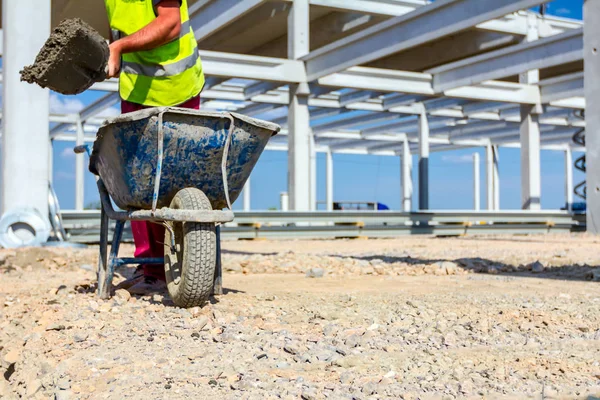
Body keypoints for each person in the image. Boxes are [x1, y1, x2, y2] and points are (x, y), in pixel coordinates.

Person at [104, 0, 205, 293]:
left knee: (173, 177)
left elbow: (171, 23)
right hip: (137, 88)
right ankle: (151, 266)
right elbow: (119, 31)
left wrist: (120, 47)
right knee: (135, 178)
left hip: (176, 88)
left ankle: (177, 263)